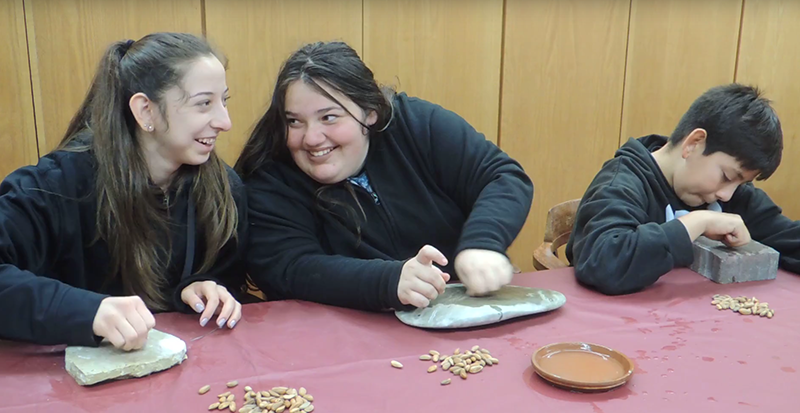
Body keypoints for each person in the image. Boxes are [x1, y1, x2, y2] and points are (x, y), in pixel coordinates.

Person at [236, 41, 533, 312]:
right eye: (294, 122)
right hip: (341, 338)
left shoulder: (417, 125)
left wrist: (482, 242)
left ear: (370, 112)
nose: (311, 138)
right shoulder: (271, 176)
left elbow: (502, 176)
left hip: (459, 314)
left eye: (329, 117)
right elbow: (292, 269)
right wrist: (390, 281)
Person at [0, 33, 248, 350]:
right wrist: (88, 311)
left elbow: (225, 279)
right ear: (146, 111)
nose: (224, 121)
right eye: (204, 104)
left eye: (224, 101)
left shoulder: (224, 189)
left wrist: (200, 289)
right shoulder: (54, 186)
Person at [566, 83, 800, 295]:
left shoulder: (734, 195)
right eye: (727, 176)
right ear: (694, 143)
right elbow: (603, 262)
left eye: (742, 183)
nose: (727, 194)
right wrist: (697, 223)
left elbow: (789, 239)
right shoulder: (621, 183)